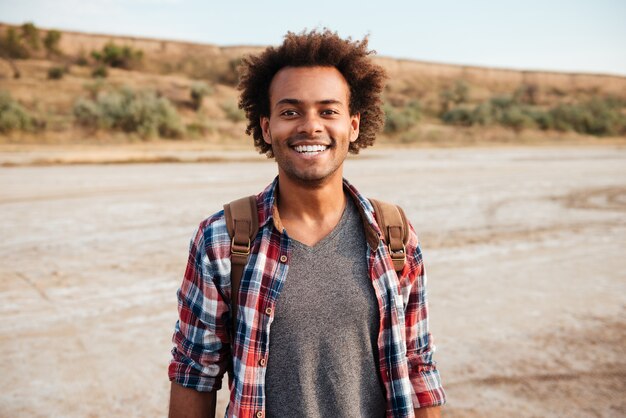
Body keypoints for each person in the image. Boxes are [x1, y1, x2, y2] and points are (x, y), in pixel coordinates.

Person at [168, 29, 446, 418]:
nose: (310, 126)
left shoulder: (394, 235)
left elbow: (418, 365)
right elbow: (194, 371)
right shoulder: (222, 238)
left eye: (328, 111)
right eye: (290, 111)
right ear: (266, 127)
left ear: (352, 124)